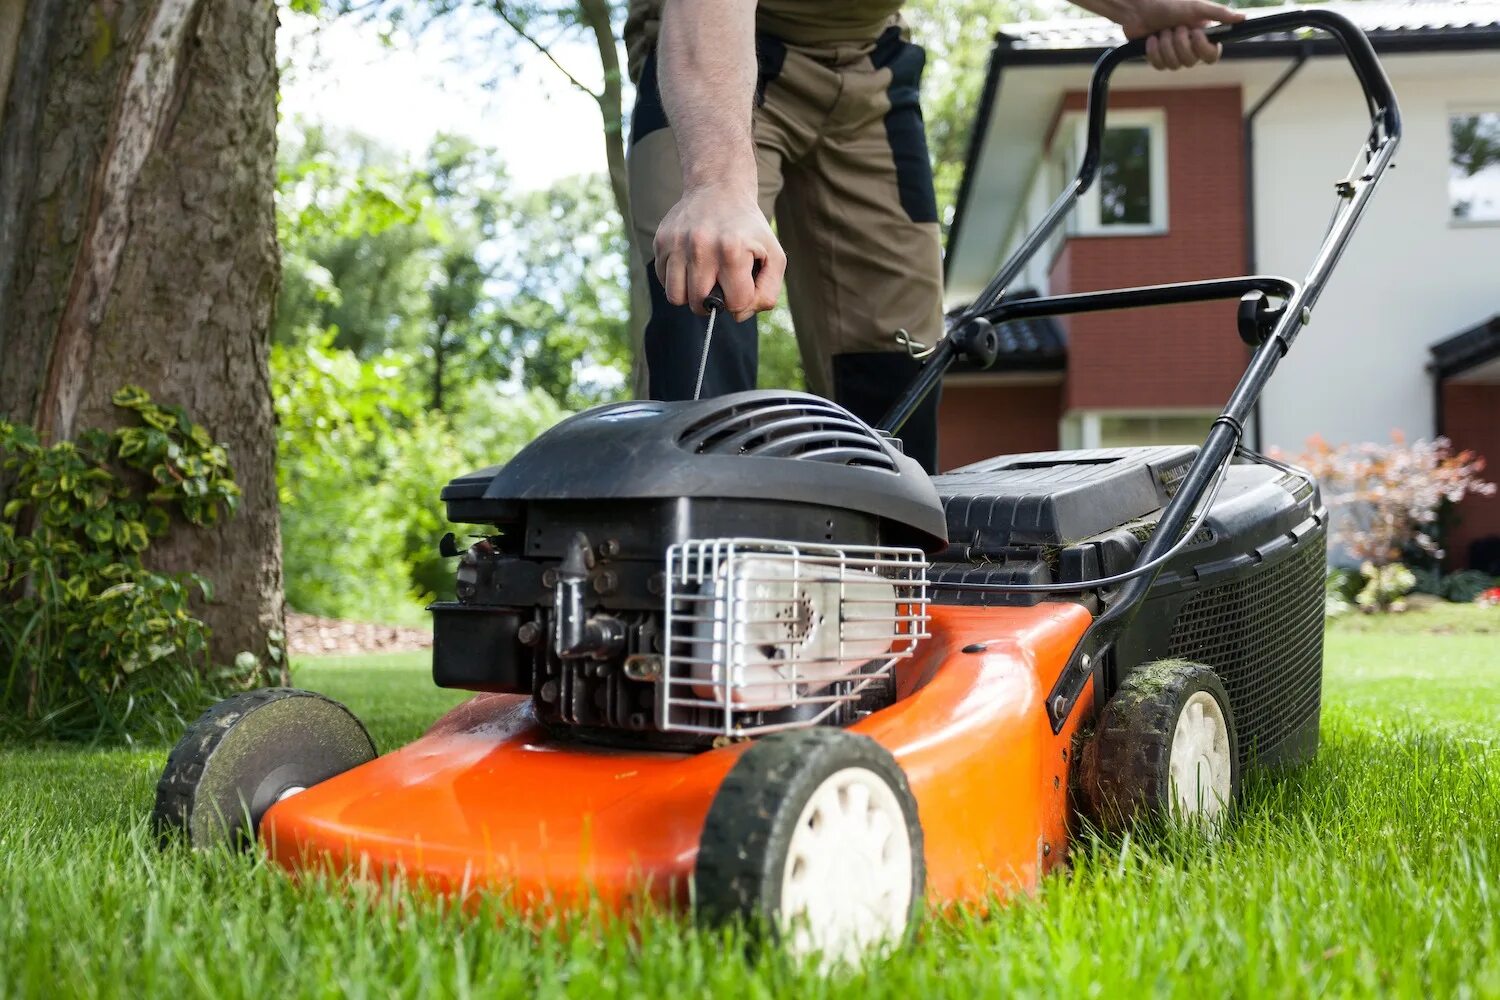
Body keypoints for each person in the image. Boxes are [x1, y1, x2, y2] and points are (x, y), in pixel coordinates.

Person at [625, 0, 1243, 471]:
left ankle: (889, 604)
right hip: (717, 50)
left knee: (898, 370)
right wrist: (716, 184)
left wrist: (1139, 10)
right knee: (705, 302)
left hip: (870, 64)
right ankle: (685, 595)